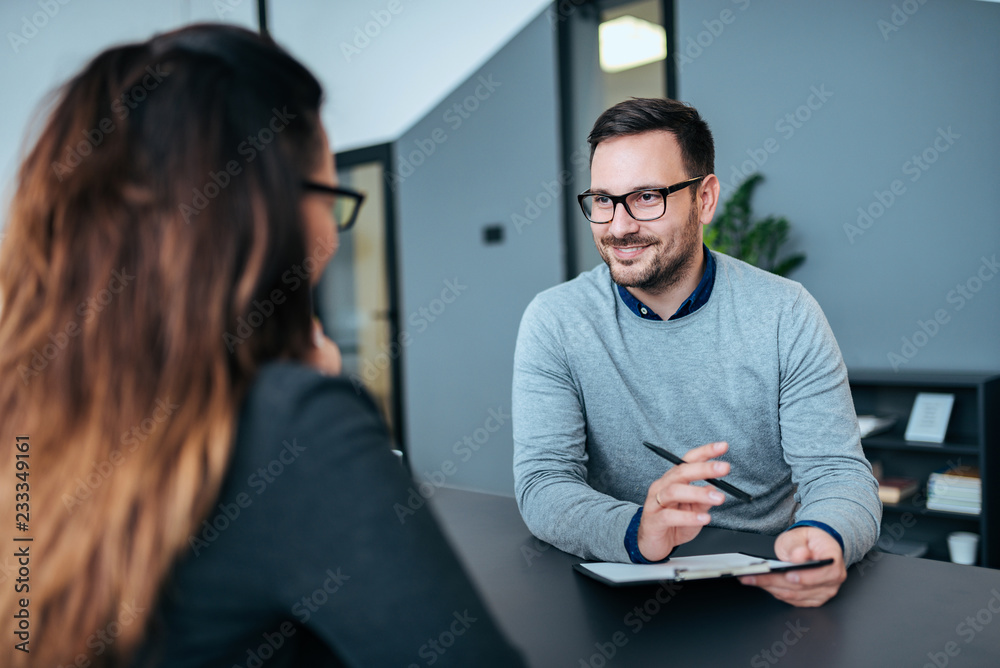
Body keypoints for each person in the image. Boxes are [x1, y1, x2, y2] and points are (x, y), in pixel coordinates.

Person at [0, 25, 525, 667]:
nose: (332, 237)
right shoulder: (291, 428)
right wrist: (312, 406)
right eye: (331, 199)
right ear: (260, 211)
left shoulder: (25, 418)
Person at [512, 97, 881, 607]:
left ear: (705, 199)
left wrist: (824, 536)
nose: (618, 226)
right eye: (602, 199)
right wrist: (638, 529)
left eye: (645, 197)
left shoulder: (785, 312)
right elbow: (544, 483)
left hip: (765, 578)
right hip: (622, 582)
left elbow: (837, 473)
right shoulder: (555, 320)